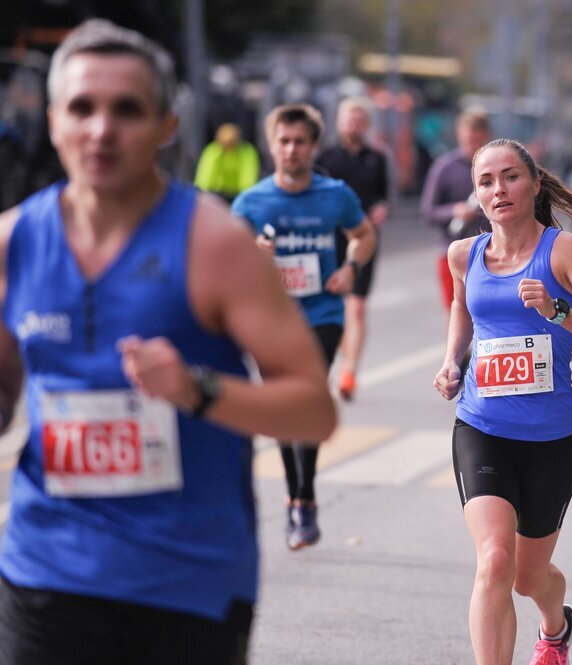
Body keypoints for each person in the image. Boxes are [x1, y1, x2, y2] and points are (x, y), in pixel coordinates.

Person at [0, 20, 337, 664]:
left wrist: (195, 388)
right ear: (53, 122)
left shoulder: (217, 245)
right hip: (45, 572)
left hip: (188, 583)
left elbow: (314, 411)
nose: (101, 129)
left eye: (126, 109)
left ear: (166, 125)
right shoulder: (14, 243)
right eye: (82, 108)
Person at [433, 138, 572, 665]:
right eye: (487, 181)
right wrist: (453, 360)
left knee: (527, 576)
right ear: (476, 194)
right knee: (494, 561)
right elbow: (461, 309)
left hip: (551, 439)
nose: (500, 190)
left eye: (511, 177)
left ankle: (556, 625)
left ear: (535, 183)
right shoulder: (462, 254)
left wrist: (560, 312)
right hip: (481, 426)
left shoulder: (563, 251)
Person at [232, 103, 376, 549]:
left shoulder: (335, 195)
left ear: (314, 147)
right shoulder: (251, 202)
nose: (291, 149)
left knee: (308, 395)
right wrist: (250, 254)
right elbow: (225, 260)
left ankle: (305, 503)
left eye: (299, 142)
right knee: (280, 408)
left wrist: (350, 267)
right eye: (283, 141)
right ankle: (295, 497)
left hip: (321, 314)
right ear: (272, 145)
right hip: (271, 317)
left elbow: (364, 235)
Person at [315, 97, 390, 402]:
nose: (354, 125)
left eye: (360, 120)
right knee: (334, 306)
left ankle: (349, 372)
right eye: (349, 119)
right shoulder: (325, 158)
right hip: (331, 241)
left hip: (364, 238)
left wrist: (382, 210)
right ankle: (333, 363)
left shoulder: (377, 158)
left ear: (368, 125)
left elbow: (383, 197)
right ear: (339, 122)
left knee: (357, 306)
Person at [420, 107, 492, 312]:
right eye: (468, 140)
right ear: (460, 135)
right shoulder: (445, 167)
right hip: (454, 252)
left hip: (491, 252)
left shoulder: (497, 166)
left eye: (478, 141)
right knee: (457, 312)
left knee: (488, 315)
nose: (473, 146)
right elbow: (428, 212)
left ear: (486, 136)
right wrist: (454, 211)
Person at [193, 122, 260, 202]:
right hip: (215, 195)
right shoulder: (212, 151)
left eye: (231, 143)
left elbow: (248, 181)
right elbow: (204, 181)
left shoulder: (247, 152)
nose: (228, 148)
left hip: (238, 196)